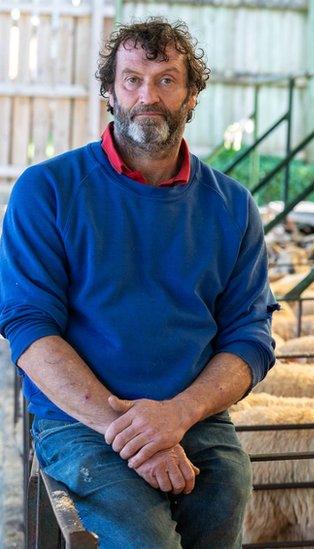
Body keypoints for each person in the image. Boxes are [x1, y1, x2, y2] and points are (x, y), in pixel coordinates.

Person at [0, 18, 276, 548]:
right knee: (145, 538)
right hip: (81, 419)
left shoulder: (232, 206)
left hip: (194, 415)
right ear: (109, 90)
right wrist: (131, 431)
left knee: (228, 487)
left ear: (192, 95)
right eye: (132, 80)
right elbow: (29, 327)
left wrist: (178, 414)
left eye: (167, 80)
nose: (148, 96)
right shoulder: (47, 191)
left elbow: (250, 336)